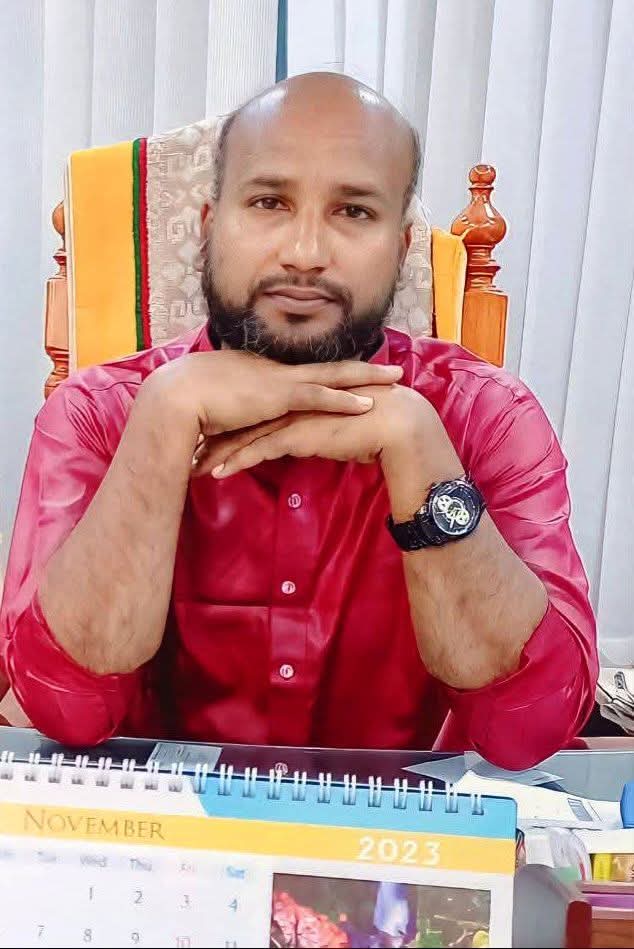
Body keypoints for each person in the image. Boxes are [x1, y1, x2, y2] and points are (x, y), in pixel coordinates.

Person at [0, 73, 597, 767]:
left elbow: (529, 729)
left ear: (402, 250)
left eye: (354, 212)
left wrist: (421, 454)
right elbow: (65, 707)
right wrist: (161, 425)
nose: (306, 253)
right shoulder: (98, 414)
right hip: (159, 824)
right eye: (268, 202)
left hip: (406, 829)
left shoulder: (486, 416)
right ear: (208, 228)